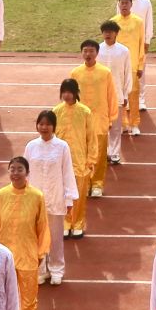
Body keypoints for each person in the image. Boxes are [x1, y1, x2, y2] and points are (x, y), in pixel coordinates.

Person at [0, 156, 50, 310]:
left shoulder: (37, 196)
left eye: (20, 169)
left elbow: (43, 227)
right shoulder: (1, 195)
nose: (16, 173)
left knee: (28, 296)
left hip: (28, 254)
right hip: (5, 256)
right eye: (12, 169)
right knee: (6, 295)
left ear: (27, 173)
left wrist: (41, 252)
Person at [24, 108, 79, 286]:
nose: (44, 127)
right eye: (41, 124)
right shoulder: (31, 146)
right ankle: (40, 270)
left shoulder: (62, 147)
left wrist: (69, 198)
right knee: (37, 236)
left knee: (55, 237)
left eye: (48, 124)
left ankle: (56, 269)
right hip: (35, 199)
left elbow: (67, 172)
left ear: (54, 126)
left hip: (56, 197)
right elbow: (25, 173)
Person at [70, 39, 119, 198]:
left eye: (91, 51)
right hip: (81, 120)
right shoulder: (75, 73)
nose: (88, 54)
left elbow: (111, 95)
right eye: (85, 51)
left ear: (97, 53)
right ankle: (85, 182)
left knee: (98, 154)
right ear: (81, 53)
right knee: (82, 153)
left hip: (100, 119)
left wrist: (111, 117)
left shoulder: (105, 73)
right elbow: (71, 97)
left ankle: (97, 183)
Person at [55, 79, 96, 240]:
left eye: (69, 91)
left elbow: (91, 138)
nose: (66, 95)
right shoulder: (56, 111)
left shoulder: (85, 112)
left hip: (80, 161)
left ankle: (78, 224)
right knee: (63, 194)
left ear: (75, 92)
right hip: (61, 162)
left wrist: (91, 160)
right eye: (64, 91)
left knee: (78, 195)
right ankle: (65, 224)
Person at [113, 0, 148, 135]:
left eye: (126, 3)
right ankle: (123, 124)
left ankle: (134, 124)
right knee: (119, 95)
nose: (124, 5)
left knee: (133, 95)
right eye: (122, 3)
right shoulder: (113, 22)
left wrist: (140, 65)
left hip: (133, 64)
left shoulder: (138, 22)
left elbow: (141, 44)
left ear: (131, 5)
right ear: (118, 4)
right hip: (117, 65)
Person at [99, 18, 134, 163]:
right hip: (99, 95)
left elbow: (127, 73)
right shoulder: (97, 50)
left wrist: (125, 94)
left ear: (116, 33)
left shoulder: (123, 51)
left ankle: (114, 153)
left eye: (110, 32)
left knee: (115, 127)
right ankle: (102, 152)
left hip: (117, 94)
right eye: (105, 32)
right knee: (100, 127)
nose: (108, 34)